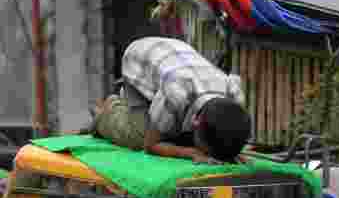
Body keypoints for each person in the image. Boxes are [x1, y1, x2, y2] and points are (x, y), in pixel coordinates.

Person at [91, 37, 251, 163]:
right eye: (205, 151)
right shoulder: (176, 93)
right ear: (196, 122)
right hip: (138, 60)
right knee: (138, 137)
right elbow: (151, 145)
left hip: (173, 55)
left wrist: (231, 154)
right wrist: (188, 153)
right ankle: (108, 110)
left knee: (176, 135)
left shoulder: (234, 94)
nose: (205, 155)